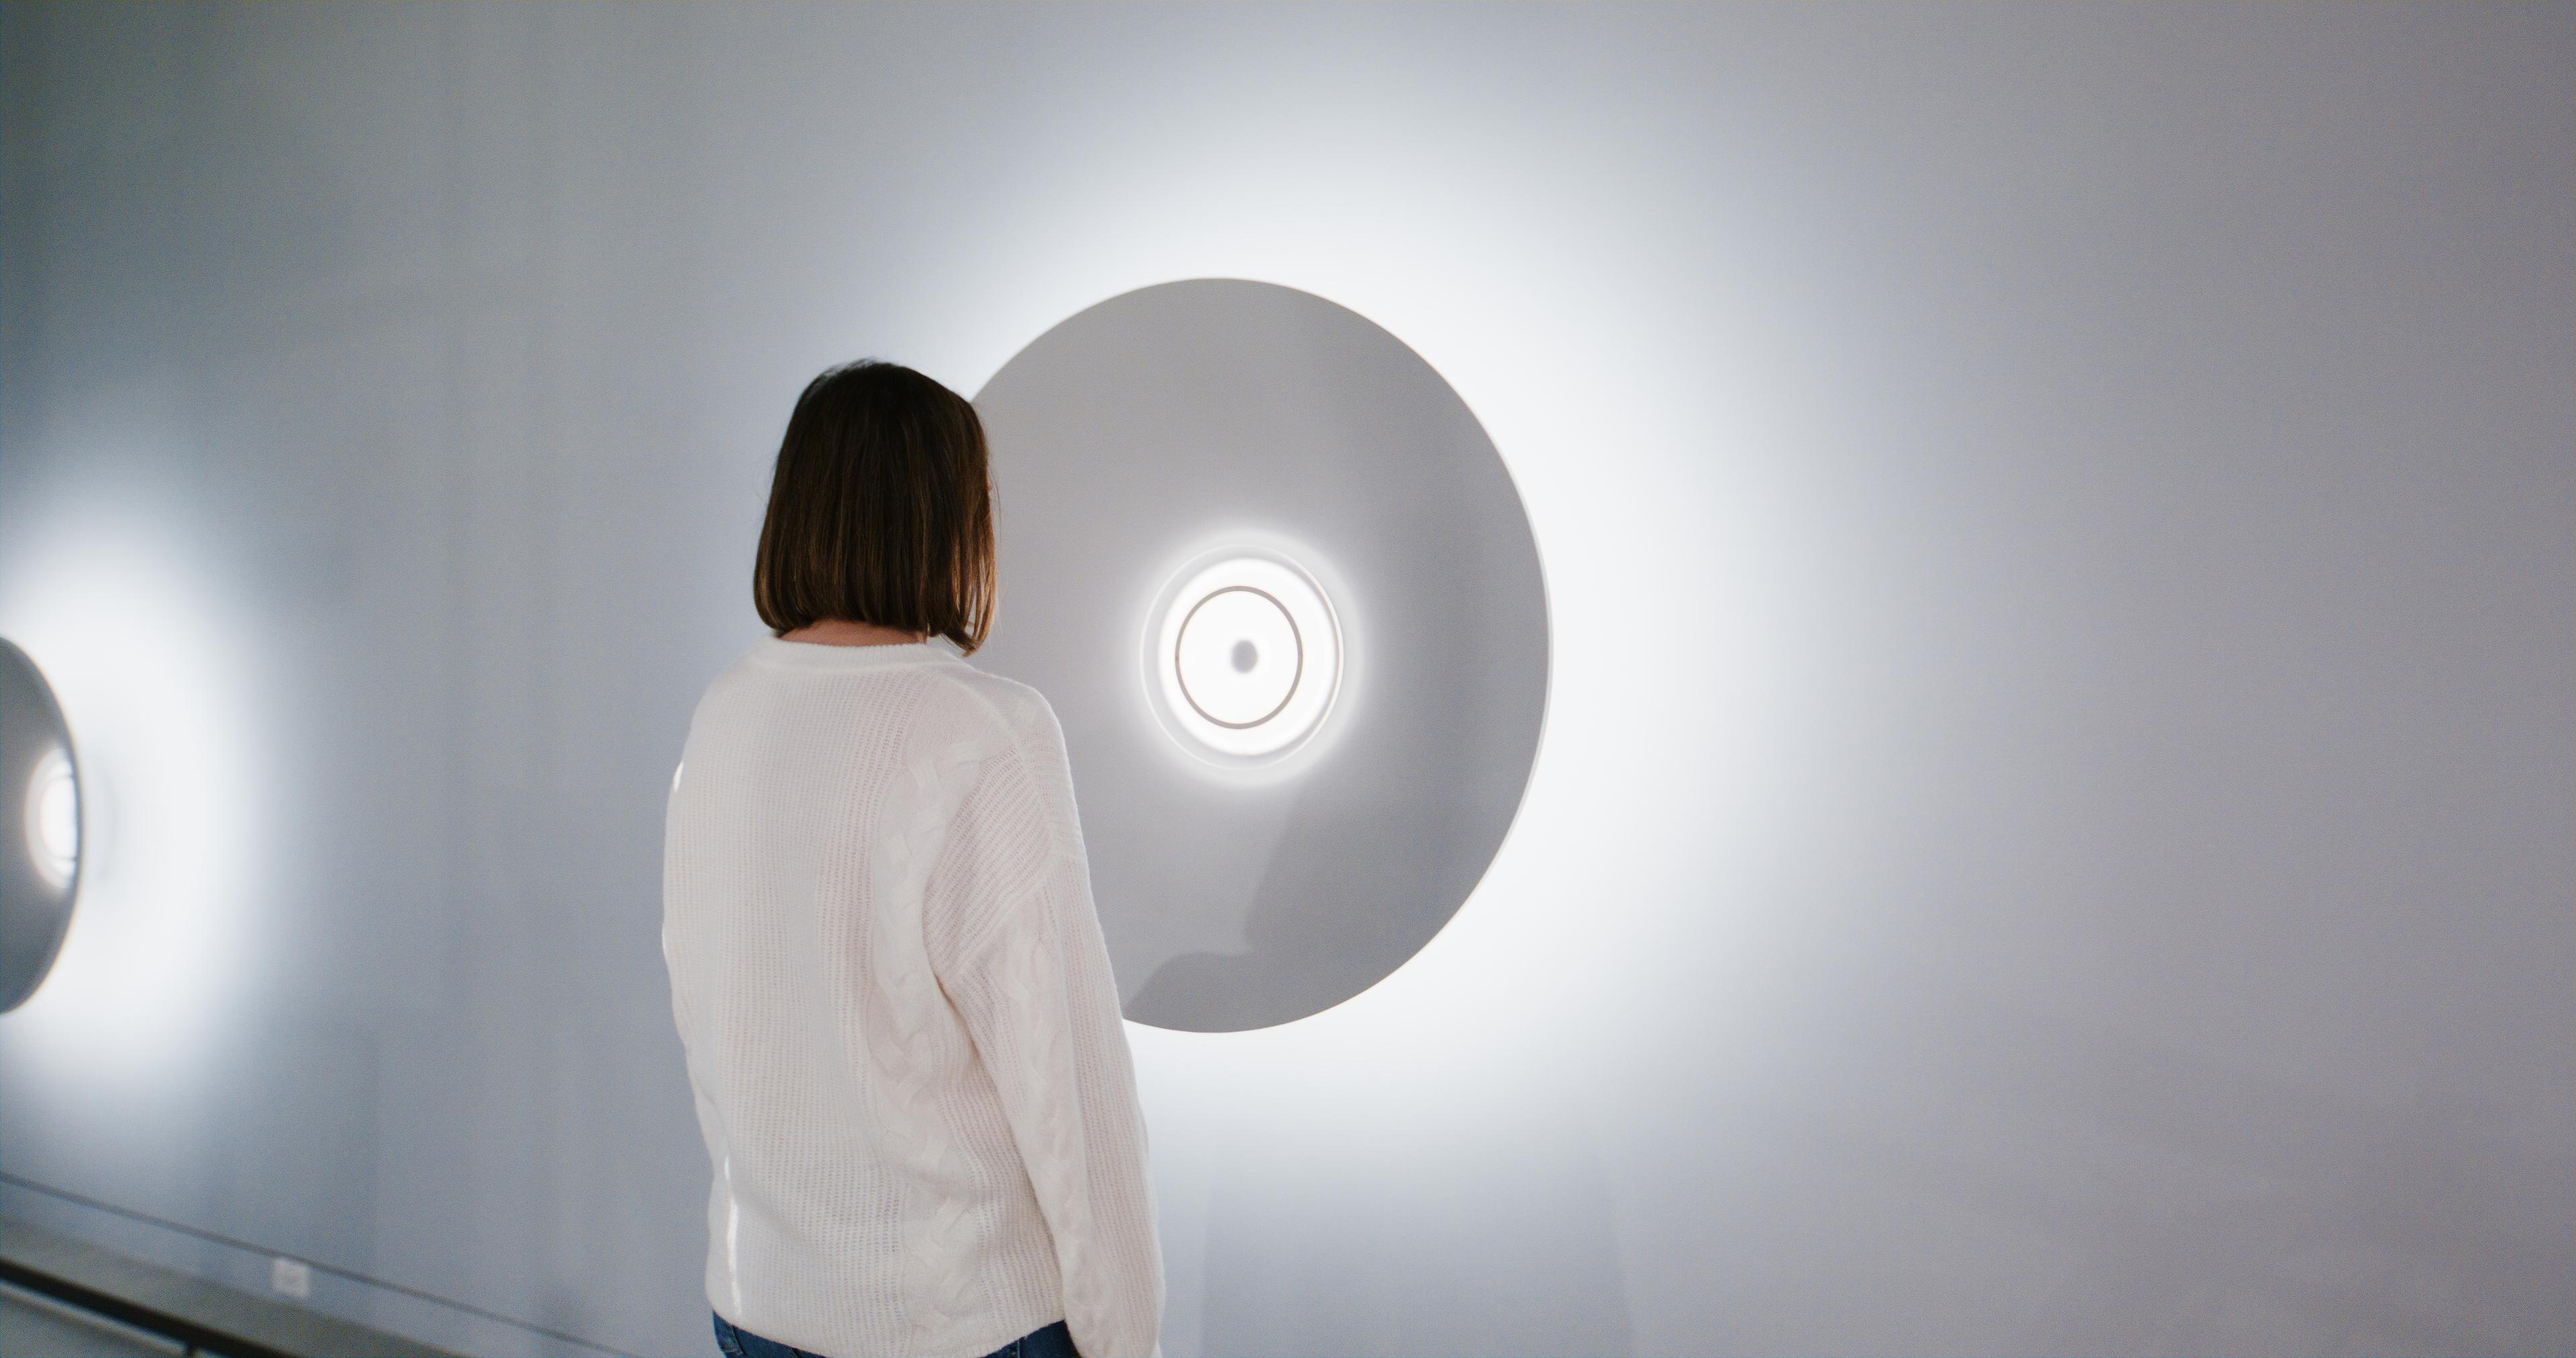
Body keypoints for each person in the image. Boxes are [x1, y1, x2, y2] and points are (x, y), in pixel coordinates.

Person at [661, 361, 1163, 1358]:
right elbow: (1070, 1094)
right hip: (959, 1324)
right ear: (952, 517)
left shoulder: (726, 712)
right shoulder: (985, 732)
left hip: (760, 1307)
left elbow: (707, 1019)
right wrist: (1127, 1343)